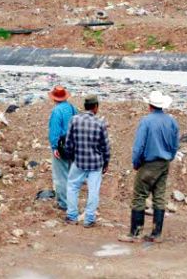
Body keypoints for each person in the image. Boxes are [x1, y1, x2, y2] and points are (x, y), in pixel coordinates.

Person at [119, 90, 179, 243]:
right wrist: (169, 157)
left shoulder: (146, 121)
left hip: (148, 164)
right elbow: (175, 145)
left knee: (139, 196)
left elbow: (139, 146)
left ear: (150, 105)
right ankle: (156, 233)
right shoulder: (171, 121)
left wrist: (136, 162)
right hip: (164, 163)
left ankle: (135, 233)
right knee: (159, 196)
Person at [64, 95, 110, 228]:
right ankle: (89, 219)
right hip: (95, 163)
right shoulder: (100, 123)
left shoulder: (74, 120)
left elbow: (68, 143)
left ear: (85, 106)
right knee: (93, 190)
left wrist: (71, 157)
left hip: (79, 161)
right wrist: (106, 162)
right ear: (95, 107)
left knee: (72, 186)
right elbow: (105, 146)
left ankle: (72, 216)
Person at [47, 86, 77, 211]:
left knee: (61, 177)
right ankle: (72, 202)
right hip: (73, 145)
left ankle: (64, 204)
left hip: (61, 146)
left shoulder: (56, 111)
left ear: (54, 98)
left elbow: (54, 131)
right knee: (71, 176)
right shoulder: (72, 108)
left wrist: (54, 147)